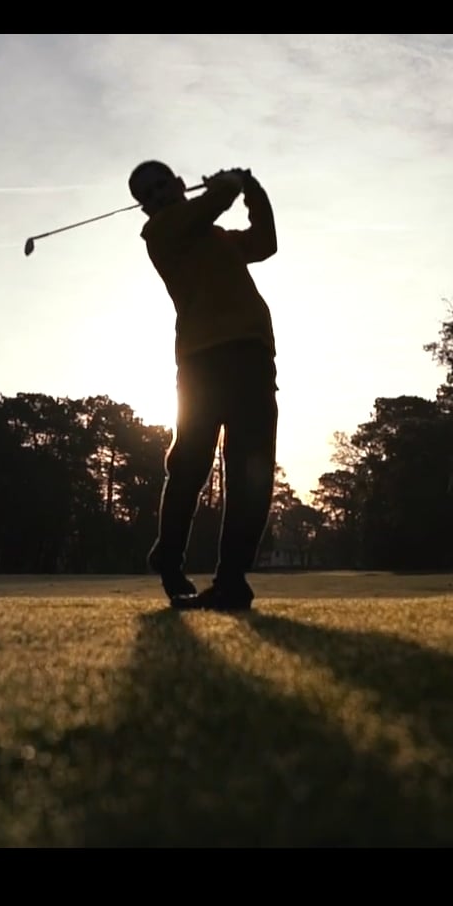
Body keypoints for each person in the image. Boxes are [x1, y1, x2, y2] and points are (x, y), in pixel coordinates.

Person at [128, 159, 279, 611]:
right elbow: (207, 207)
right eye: (147, 196)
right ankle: (170, 558)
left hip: (252, 356)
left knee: (251, 474)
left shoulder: (217, 238)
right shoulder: (161, 234)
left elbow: (266, 243)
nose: (157, 197)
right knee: (190, 466)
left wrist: (253, 188)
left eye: (161, 186)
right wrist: (231, 186)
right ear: (145, 209)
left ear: (178, 183)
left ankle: (232, 580)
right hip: (201, 364)